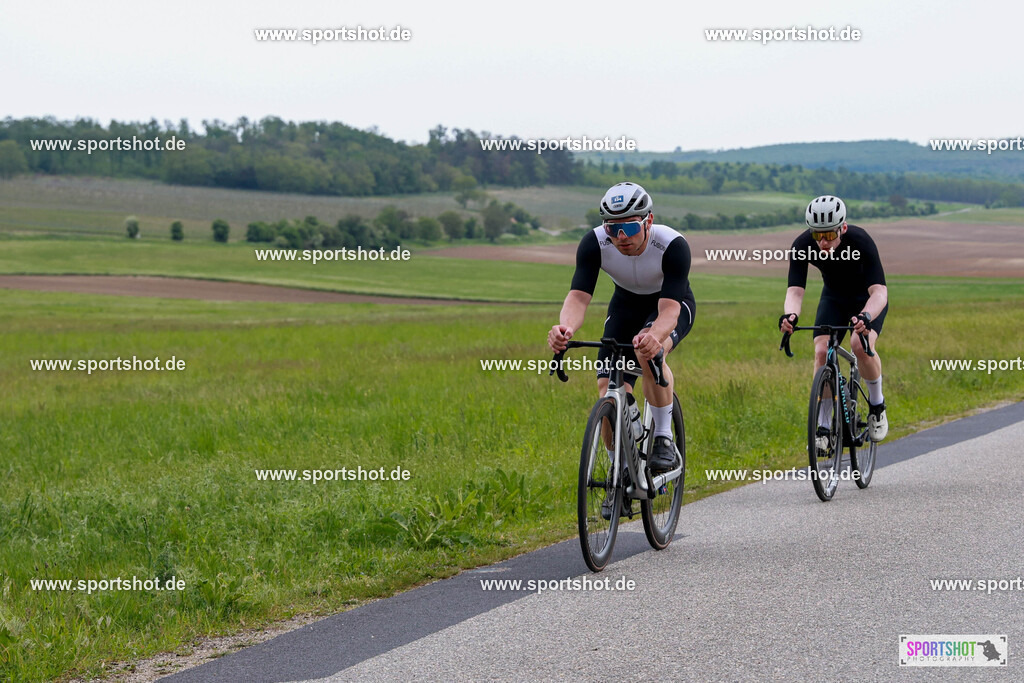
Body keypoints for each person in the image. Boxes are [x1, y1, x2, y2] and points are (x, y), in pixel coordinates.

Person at [548, 182, 695, 516]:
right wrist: (566, 329)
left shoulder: (672, 245)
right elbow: (578, 297)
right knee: (606, 390)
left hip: (669, 304)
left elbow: (669, 311)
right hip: (625, 305)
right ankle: (620, 474)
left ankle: (662, 437)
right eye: (613, 228)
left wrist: (656, 336)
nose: (621, 237)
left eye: (629, 227)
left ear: (648, 221)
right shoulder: (594, 244)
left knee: (647, 353)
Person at [779, 195, 889, 442]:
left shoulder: (861, 241)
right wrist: (791, 315)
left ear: (843, 228)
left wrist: (867, 316)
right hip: (834, 298)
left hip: (866, 299)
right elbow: (795, 290)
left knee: (860, 345)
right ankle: (824, 426)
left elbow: (879, 291)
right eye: (818, 235)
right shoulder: (802, 245)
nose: (824, 242)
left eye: (830, 234)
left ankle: (877, 406)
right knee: (821, 351)